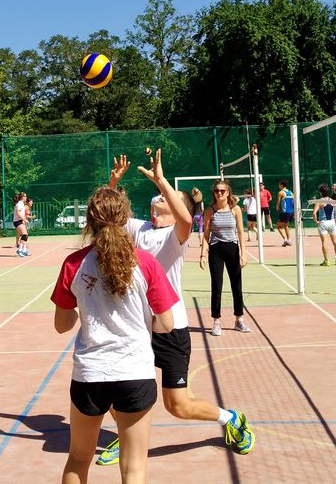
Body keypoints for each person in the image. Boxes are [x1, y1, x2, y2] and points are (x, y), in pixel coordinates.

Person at [99, 152, 255, 469]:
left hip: (171, 328)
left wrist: (161, 180)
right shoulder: (139, 228)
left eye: (166, 196)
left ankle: (231, 419)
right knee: (110, 385)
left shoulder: (176, 235)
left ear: (175, 206)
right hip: (138, 328)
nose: (159, 196)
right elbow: (108, 218)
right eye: (158, 193)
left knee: (178, 406)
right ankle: (124, 435)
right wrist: (113, 183)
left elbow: (186, 219)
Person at [51, 186, 180, 484]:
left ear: (89, 220)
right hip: (134, 371)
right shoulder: (145, 262)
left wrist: (81, 310)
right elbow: (167, 323)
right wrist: (143, 323)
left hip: (90, 373)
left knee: (78, 458)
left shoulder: (74, 264)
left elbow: (62, 324)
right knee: (134, 467)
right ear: (126, 218)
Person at [200, 179, 249, 336]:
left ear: (228, 192)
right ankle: (216, 322)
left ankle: (239, 320)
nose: (219, 193)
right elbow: (206, 235)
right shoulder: (210, 211)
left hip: (232, 249)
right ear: (214, 193)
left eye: (222, 190)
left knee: (237, 285)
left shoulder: (235, 210)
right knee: (217, 285)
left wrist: (243, 254)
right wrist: (203, 254)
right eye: (217, 191)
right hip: (216, 250)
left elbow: (240, 232)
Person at [312, 184, 336, 266]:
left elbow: (314, 213)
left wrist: (316, 221)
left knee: (324, 242)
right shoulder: (333, 201)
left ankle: (326, 261)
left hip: (323, 223)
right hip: (332, 222)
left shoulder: (319, 201)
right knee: (335, 242)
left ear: (321, 192)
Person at [275, 179, 294, 247]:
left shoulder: (280, 193)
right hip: (291, 212)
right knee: (285, 226)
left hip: (285, 212)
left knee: (278, 226)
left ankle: (286, 240)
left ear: (282, 185)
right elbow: (293, 201)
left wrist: (277, 207)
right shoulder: (290, 192)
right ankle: (288, 240)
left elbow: (278, 202)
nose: (278, 185)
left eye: (279, 184)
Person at [13, 192, 28, 257]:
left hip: (20, 221)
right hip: (17, 222)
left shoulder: (21, 204)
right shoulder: (19, 204)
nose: (26, 197)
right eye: (25, 196)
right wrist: (24, 219)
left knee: (25, 236)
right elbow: (18, 213)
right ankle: (20, 250)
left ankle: (24, 250)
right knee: (24, 235)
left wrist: (23, 220)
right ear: (22, 197)